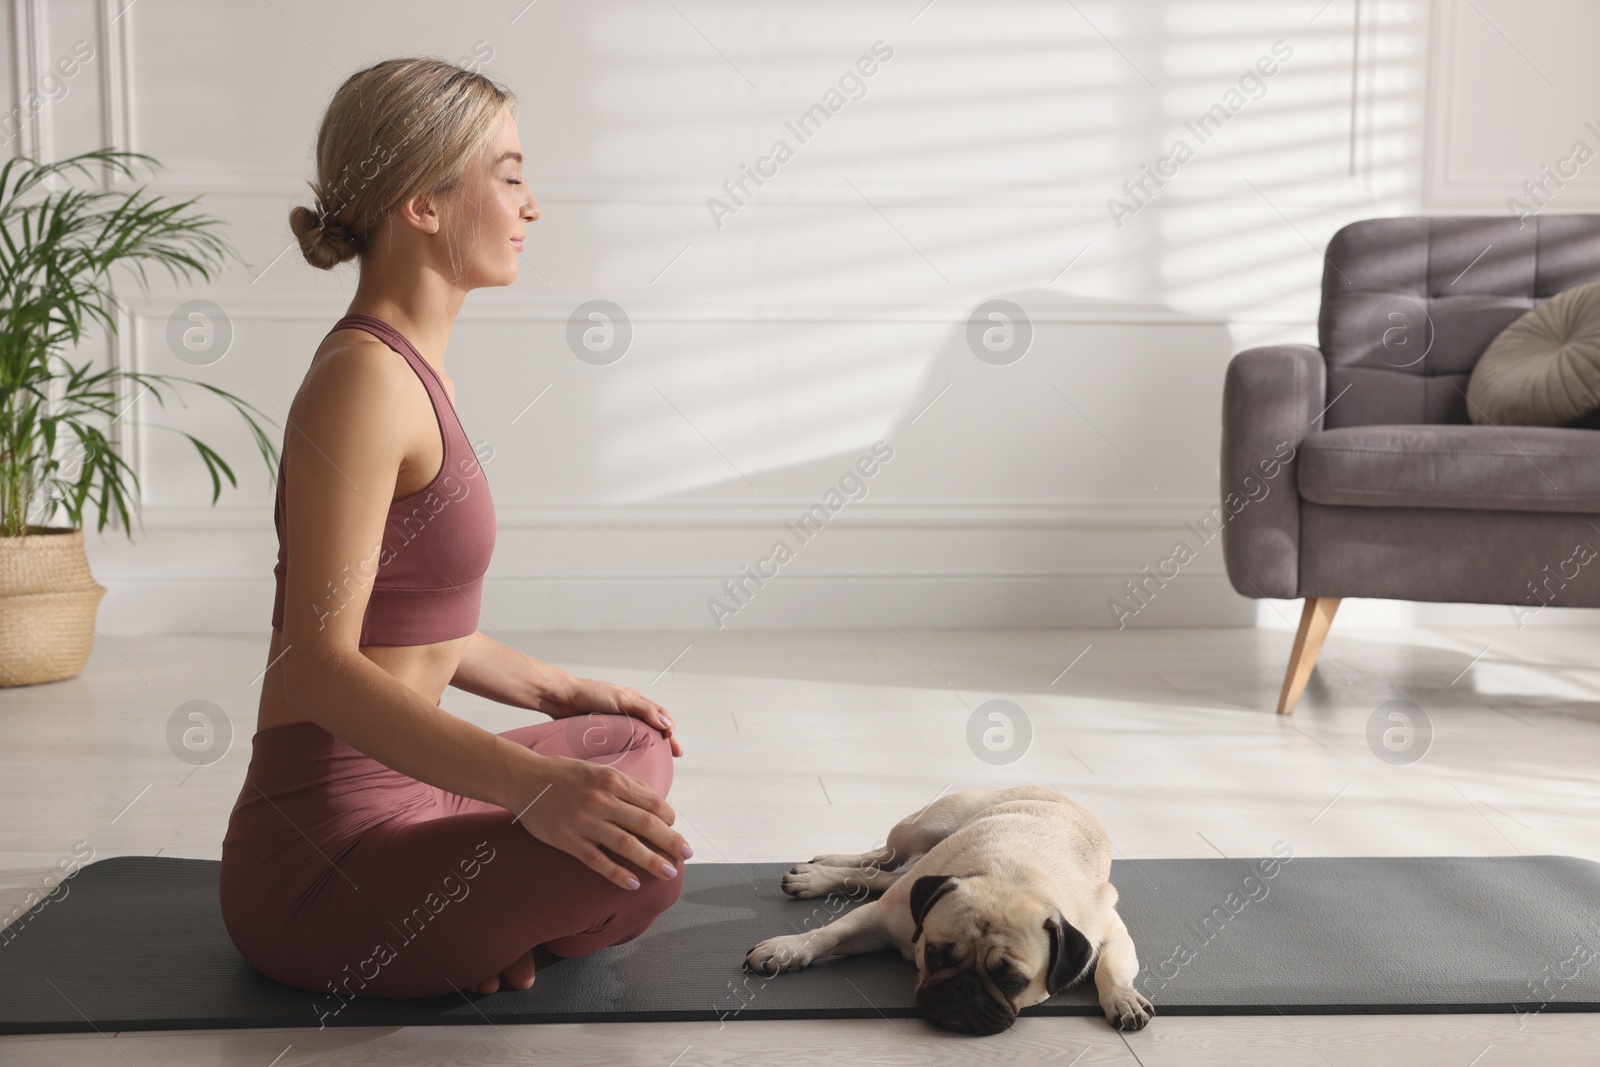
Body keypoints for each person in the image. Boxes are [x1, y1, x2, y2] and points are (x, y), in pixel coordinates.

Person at [219, 56, 689, 1005]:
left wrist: (563, 689)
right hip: (322, 856)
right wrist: (528, 789)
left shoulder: (411, 371)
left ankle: (474, 927)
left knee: (628, 744)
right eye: (509, 176)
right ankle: (481, 927)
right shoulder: (364, 382)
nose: (532, 206)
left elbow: (410, 620)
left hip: (419, 784)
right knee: (645, 868)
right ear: (421, 206)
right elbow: (318, 661)